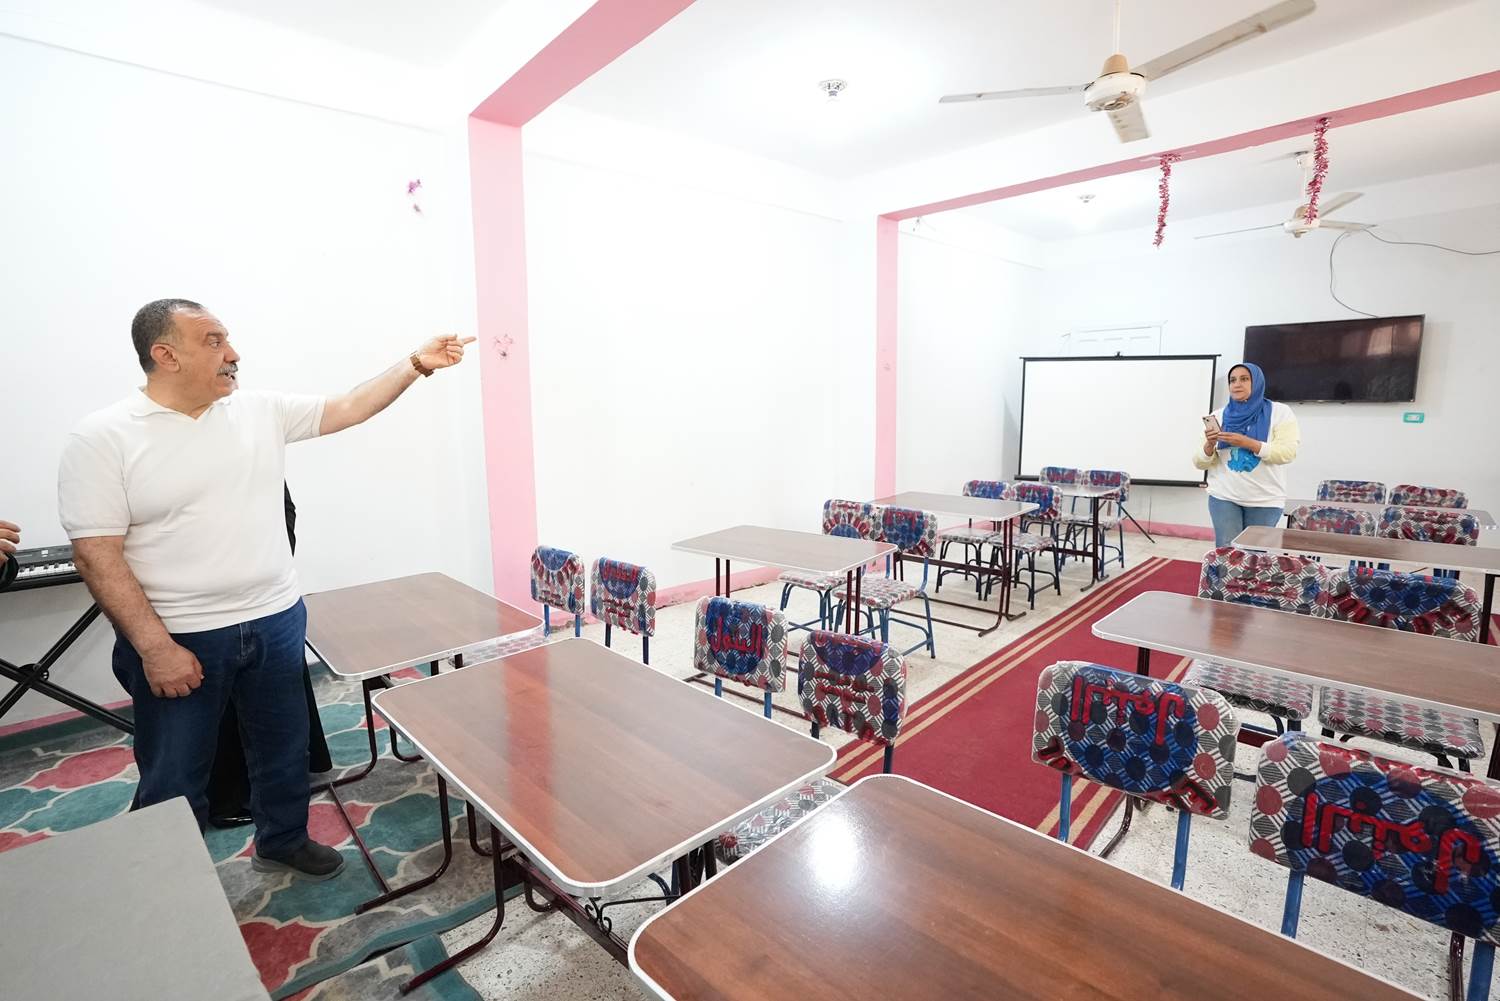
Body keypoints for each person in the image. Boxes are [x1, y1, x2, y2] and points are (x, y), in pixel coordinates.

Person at [58, 299, 474, 880]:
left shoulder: (257, 411)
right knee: (175, 769)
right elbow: (96, 554)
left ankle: (283, 840)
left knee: (283, 747)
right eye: (213, 341)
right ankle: (169, 881)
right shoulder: (103, 437)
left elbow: (348, 407)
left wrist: (416, 364)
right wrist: (154, 647)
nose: (232, 354)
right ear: (166, 355)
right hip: (180, 634)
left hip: (275, 619)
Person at [1193, 361, 1300, 547]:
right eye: (1232, 380)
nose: (1237, 384)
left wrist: (1248, 443)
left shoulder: (1280, 412)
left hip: (1265, 500)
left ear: (1256, 382)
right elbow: (1199, 462)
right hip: (1224, 496)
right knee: (1227, 553)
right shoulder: (1219, 415)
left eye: (1244, 379)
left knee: (1255, 556)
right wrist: (1209, 445)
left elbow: (1287, 453)